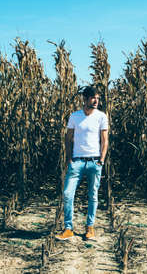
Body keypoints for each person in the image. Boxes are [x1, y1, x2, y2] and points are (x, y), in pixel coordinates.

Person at [55, 86, 109, 241]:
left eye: (98, 98)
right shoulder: (75, 116)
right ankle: (68, 228)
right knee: (67, 193)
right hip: (77, 161)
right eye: (93, 98)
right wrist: (69, 158)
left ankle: (90, 228)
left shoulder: (101, 117)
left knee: (93, 195)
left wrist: (102, 160)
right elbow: (68, 138)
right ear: (85, 99)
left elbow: (105, 140)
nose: (96, 101)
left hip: (94, 161)